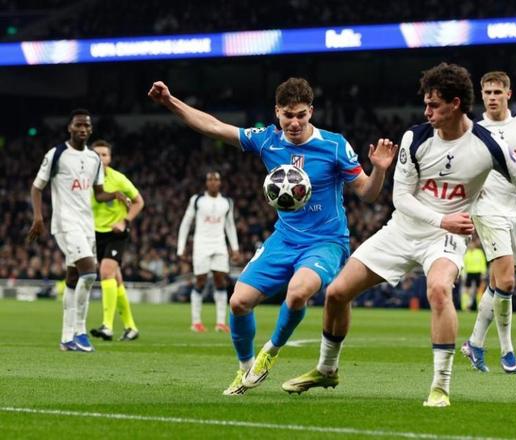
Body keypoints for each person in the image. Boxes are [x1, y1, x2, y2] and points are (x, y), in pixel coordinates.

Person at [282, 63, 516, 408]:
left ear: (455, 104)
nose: (426, 112)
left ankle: (440, 387)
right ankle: (327, 369)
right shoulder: (415, 138)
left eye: (433, 105)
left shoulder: (488, 145)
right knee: (337, 293)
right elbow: (401, 198)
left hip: (444, 239)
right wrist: (442, 219)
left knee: (439, 289)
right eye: (426, 104)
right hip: (404, 230)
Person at [148, 77, 398, 395]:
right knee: (238, 302)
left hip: (325, 242)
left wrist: (379, 170)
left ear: (311, 112)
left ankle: (271, 351)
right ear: (276, 112)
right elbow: (214, 127)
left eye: (301, 115)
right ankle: (245, 368)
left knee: (297, 292)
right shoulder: (267, 140)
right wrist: (170, 102)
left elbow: (367, 193)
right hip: (284, 239)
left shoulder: (334, 145)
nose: (294, 123)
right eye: (288, 115)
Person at [461, 71, 516, 374]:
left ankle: (474, 343)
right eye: (487, 92)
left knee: (498, 282)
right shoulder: (474, 130)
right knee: (509, 281)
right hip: (487, 209)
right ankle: (507, 351)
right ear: (481, 95)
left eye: (497, 92)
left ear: (508, 94)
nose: (492, 97)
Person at [27, 109, 130, 352]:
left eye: (87, 125)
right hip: (65, 223)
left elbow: (98, 193)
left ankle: (66, 338)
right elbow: (37, 187)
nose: (83, 129)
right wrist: (38, 217)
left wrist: (115, 194)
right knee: (90, 272)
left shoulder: (94, 158)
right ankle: (80, 332)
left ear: (91, 130)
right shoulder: (57, 154)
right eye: (78, 125)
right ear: (70, 128)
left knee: (73, 278)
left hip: (86, 225)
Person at [89, 139, 145, 342]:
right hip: (95, 233)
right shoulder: (85, 180)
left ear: (110, 158)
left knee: (105, 272)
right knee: (116, 279)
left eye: (104, 154)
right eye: (96, 154)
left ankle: (107, 326)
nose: (100, 158)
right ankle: (131, 327)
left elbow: (139, 201)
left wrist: (125, 221)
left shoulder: (118, 179)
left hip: (116, 232)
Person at [177, 171, 240, 333]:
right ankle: (196, 322)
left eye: (216, 179)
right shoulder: (197, 200)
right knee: (200, 281)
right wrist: (181, 247)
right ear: (206, 183)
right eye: (210, 179)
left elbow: (230, 225)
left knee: (221, 281)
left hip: (219, 244)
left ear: (220, 182)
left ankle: (221, 323)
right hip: (201, 244)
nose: (213, 182)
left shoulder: (227, 202)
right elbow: (186, 222)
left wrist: (235, 248)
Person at [462, 238, 487, 311]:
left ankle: (480, 306)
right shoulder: (466, 253)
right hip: (469, 273)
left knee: (479, 290)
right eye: (469, 244)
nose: (471, 245)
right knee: (467, 290)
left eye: (472, 243)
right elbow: (464, 264)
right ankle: (466, 306)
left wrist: (483, 273)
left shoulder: (479, 253)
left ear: (474, 244)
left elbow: (483, 263)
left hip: (478, 273)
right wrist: (463, 274)